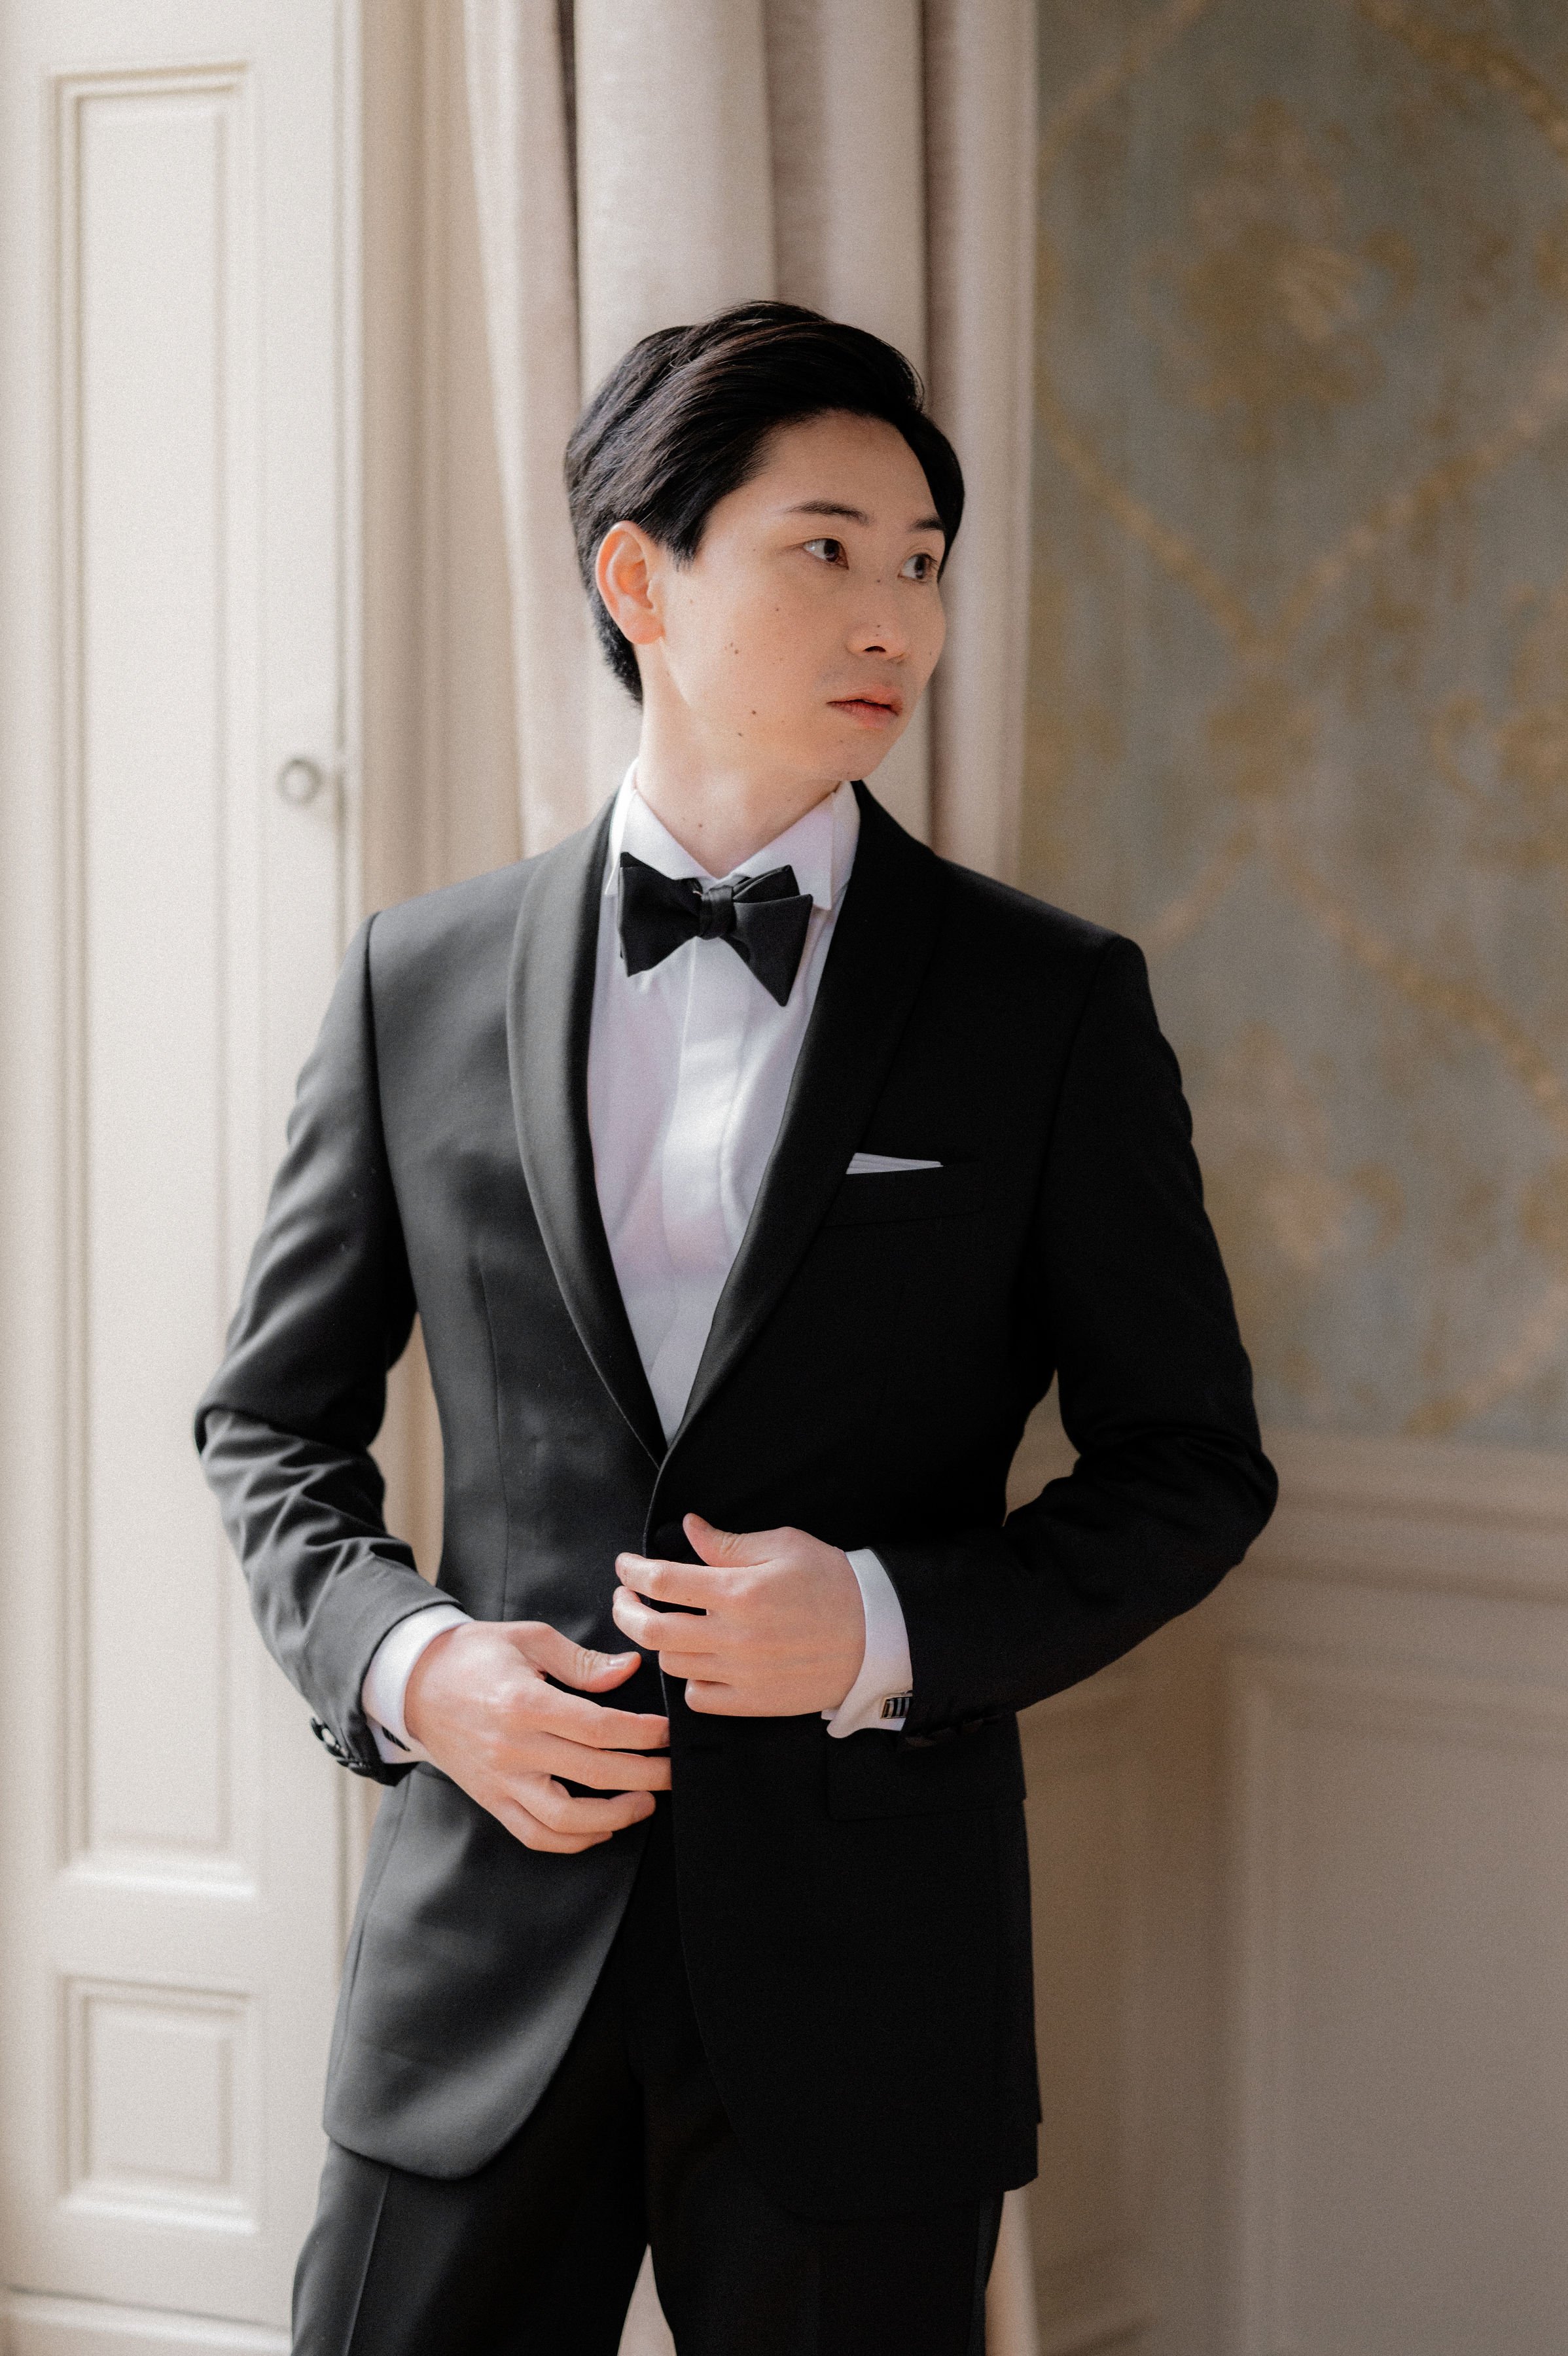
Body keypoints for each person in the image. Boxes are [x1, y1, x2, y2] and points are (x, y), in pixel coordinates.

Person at [196, 300, 1276, 2356]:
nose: (895, 617)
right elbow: (270, 1424)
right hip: (476, 1963)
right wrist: (417, 1669)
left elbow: (1189, 1469)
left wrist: (877, 1624)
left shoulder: (1045, 1005)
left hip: (868, 1996)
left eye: (922, 561)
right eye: (824, 548)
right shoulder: (415, 978)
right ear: (639, 578)